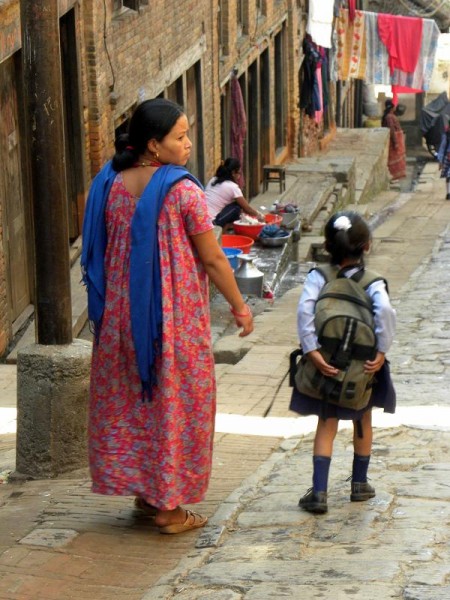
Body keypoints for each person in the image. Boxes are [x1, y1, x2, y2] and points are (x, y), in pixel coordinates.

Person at [81, 98, 254, 534]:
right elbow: (214, 258)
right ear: (154, 145)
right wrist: (240, 305)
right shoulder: (182, 192)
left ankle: (147, 493)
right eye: (180, 137)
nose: (189, 144)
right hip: (171, 320)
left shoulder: (110, 183)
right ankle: (172, 510)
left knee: (138, 404)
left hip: (122, 317)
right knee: (176, 404)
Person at [290, 210, 396, 514]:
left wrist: (312, 351)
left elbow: (304, 312)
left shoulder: (318, 276)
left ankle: (319, 492)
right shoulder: (373, 282)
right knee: (364, 418)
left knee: (327, 422)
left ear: (328, 246)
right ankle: (359, 484)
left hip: (326, 363)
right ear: (367, 246)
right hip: (363, 368)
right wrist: (381, 351)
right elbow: (386, 313)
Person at [205, 158, 264, 232]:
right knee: (237, 207)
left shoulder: (213, 179)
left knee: (236, 205)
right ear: (233, 173)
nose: (239, 176)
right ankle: (223, 230)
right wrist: (259, 215)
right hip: (213, 222)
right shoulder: (232, 187)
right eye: (239, 173)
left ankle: (227, 226)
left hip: (203, 220)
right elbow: (247, 208)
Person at [382, 99, 406, 181]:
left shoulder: (390, 116)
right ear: (392, 108)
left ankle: (395, 176)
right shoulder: (389, 117)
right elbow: (391, 129)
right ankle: (393, 176)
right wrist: (395, 142)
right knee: (393, 159)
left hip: (395, 139)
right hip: (393, 141)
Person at [437, 123, 450, 200]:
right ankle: (448, 193)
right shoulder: (446, 135)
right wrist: (440, 160)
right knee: (448, 176)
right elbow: (442, 148)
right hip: (448, 157)